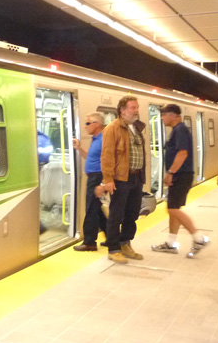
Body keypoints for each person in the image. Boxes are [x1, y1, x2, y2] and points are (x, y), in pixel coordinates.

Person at [151, 104, 209, 256]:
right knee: (173, 208)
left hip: (181, 175)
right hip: (181, 174)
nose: (162, 118)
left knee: (173, 209)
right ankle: (171, 243)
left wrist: (170, 172)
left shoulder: (180, 130)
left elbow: (182, 153)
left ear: (173, 115)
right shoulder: (177, 130)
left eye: (164, 115)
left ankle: (198, 238)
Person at [100, 95, 146, 264]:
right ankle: (113, 249)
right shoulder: (113, 128)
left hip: (135, 177)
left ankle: (125, 244)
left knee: (132, 214)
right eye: (133, 108)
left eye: (137, 107)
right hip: (120, 178)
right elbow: (107, 156)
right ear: (122, 110)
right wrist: (108, 180)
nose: (136, 111)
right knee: (116, 214)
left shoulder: (135, 127)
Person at [72, 113, 108, 251]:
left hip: (97, 178)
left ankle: (90, 242)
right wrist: (79, 148)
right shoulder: (96, 139)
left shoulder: (104, 139)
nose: (85, 127)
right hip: (94, 177)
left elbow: (108, 161)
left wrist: (103, 183)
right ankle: (111, 238)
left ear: (97, 124)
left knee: (91, 209)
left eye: (88, 123)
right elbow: (91, 158)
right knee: (97, 209)